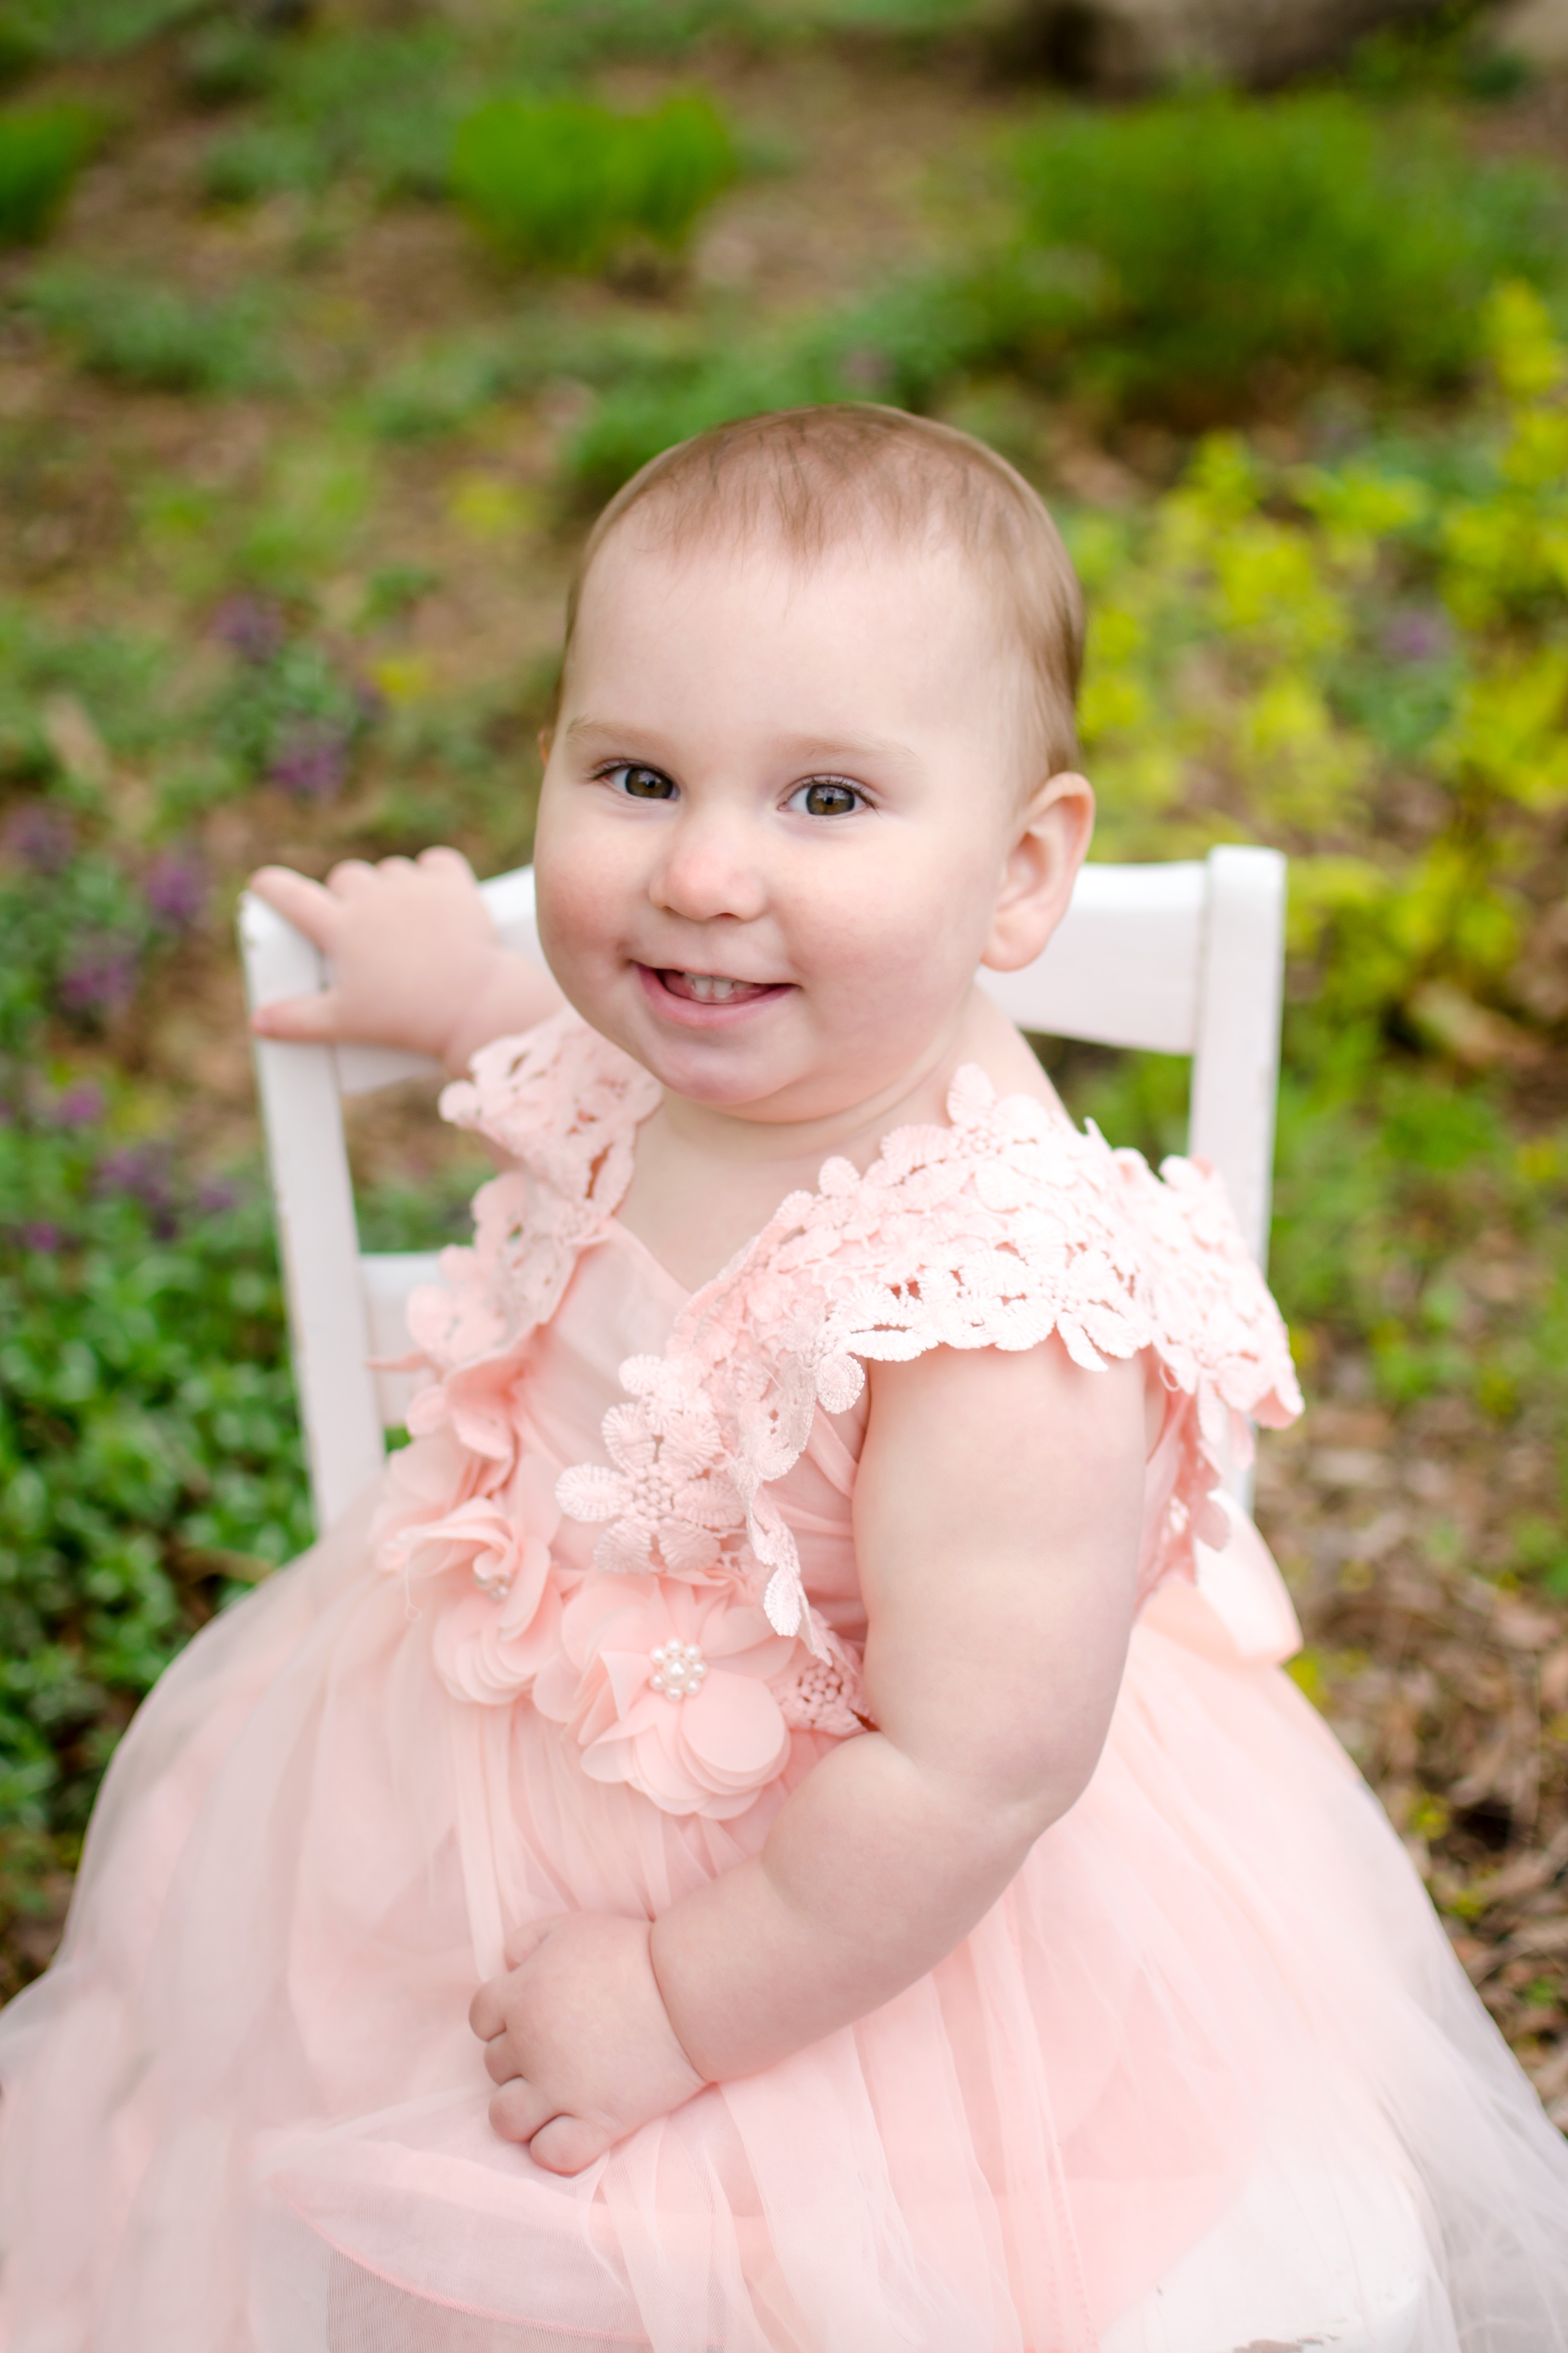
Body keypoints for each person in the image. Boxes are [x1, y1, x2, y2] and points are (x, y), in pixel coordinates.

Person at [2, 405, 1566, 2353]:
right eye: (635, 775)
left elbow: (974, 1773)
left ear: (1018, 872)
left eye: (826, 797)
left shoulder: (994, 1310)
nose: (702, 872)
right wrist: (453, 988)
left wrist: (673, 2003)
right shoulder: (701, 1035)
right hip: (464, 1762)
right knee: (270, 2094)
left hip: (849, 1922)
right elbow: (567, 1054)